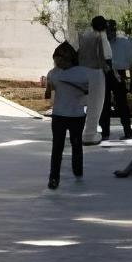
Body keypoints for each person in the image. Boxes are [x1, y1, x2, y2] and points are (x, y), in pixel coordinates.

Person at [44, 41, 90, 189]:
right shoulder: (83, 72)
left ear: (68, 58)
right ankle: (70, 173)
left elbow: (51, 84)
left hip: (68, 115)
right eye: (56, 60)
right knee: (72, 145)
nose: (57, 62)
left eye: (59, 60)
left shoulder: (55, 73)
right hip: (68, 115)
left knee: (60, 147)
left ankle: (57, 177)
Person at [78, 15, 112, 144]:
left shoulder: (84, 36)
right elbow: (102, 55)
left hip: (82, 70)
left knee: (82, 101)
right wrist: (107, 68)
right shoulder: (100, 36)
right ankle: (90, 134)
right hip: (96, 71)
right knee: (96, 103)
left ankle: (79, 131)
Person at [101, 20, 132, 140]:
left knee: (122, 104)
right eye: (108, 30)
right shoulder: (101, 43)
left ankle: (128, 131)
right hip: (105, 74)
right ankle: (105, 132)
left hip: (119, 75)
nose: (111, 33)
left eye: (113, 30)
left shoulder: (122, 42)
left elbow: (130, 61)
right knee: (104, 104)